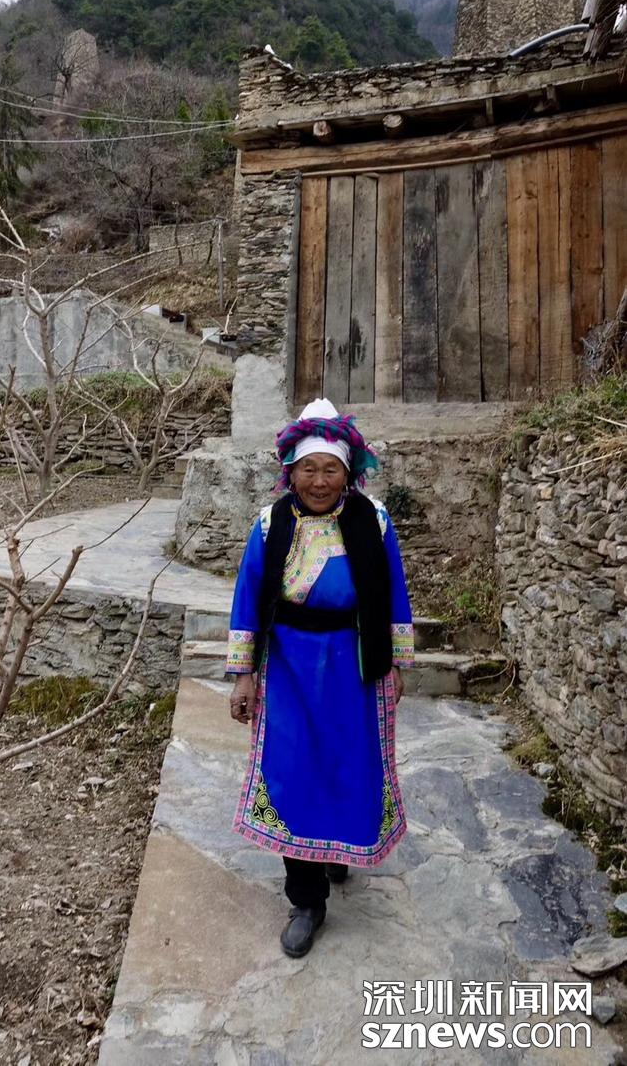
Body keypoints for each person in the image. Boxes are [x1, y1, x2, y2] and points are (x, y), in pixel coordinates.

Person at [226, 397, 414, 958]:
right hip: (287, 668)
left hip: (355, 668)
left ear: (347, 472)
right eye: (308, 468)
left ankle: (335, 849)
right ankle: (306, 900)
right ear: (291, 471)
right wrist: (243, 675)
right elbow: (247, 599)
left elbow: (394, 592)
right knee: (293, 771)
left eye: (330, 469)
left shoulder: (373, 521)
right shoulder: (271, 524)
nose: (319, 481)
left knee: (348, 766)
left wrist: (398, 664)